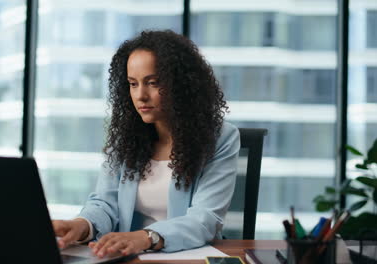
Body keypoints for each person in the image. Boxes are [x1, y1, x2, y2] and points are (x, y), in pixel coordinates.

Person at [52, 30, 240, 257]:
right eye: (133, 84)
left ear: (180, 85)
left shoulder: (220, 138)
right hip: (128, 257)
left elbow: (205, 219)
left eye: (152, 83)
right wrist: (82, 226)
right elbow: (105, 203)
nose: (140, 95)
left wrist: (146, 237)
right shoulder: (126, 138)